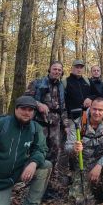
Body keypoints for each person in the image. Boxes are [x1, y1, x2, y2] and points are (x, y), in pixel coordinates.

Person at [24, 61, 70, 192]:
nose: (57, 72)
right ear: (49, 70)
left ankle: (48, 186)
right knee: (38, 152)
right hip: (39, 124)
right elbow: (25, 99)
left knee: (54, 154)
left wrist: (66, 125)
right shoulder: (37, 83)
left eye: (59, 70)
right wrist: (38, 104)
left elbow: (63, 108)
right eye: (54, 69)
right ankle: (34, 184)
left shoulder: (61, 86)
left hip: (55, 126)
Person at [65, 97, 103, 204]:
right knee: (78, 200)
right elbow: (67, 148)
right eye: (94, 109)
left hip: (101, 160)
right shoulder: (78, 124)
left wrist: (99, 166)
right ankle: (87, 186)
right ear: (90, 108)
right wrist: (74, 148)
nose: (97, 113)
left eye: (100, 110)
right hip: (83, 163)